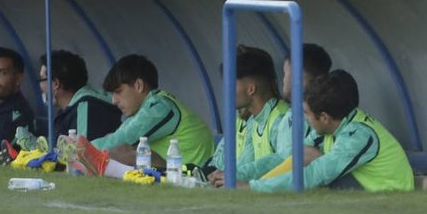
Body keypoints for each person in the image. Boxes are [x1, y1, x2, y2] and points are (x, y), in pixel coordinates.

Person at [246, 70, 414, 193]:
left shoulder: (359, 135)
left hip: (389, 199)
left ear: (324, 118)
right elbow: (288, 156)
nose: (306, 119)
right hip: (362, 190)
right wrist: (243, 178)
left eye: (307, 114)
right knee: (306, 154)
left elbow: (317, 173)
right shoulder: (334, 125)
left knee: (312, 173)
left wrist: (254, 188)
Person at [61, 54, 214, 177]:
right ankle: (89, 167)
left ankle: (90, 168)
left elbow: (123, 138)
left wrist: (77, 150)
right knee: (125, 150)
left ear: (139, 86)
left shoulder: (160, 107)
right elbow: (119, 137)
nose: (114, 100)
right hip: (176, 170)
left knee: (131, 152)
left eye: (118, 92)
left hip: (195, 174)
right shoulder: (146, 108)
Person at [210, 42, 332, 187]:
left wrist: (248, 185)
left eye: (285, 73)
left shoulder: (285, 117)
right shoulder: (251, 118)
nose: (283, 80)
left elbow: (286, 161)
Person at [203, 45, 286, 179]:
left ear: (251, 89)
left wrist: (234, 177)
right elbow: (244, 163)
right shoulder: (254, 119)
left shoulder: (283, 117)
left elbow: (287, 161)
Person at [39, 50, 120, 141]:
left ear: (56, 84)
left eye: (42, 79)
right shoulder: (66, 112)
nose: (40, 85)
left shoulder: (85, 107)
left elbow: (82, 151)